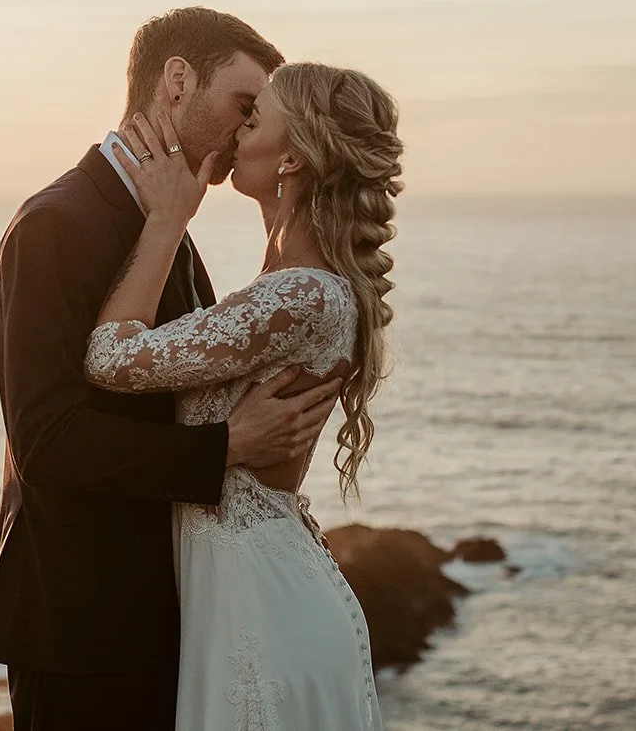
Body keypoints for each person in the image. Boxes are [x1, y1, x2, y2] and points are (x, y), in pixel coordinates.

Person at [0, 8, 343, 730]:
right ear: (177, 80)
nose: (245, 133)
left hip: (171, 613)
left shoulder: (170, 221)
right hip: (85, 631)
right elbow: (47, 442)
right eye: (243, 105)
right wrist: (225, 448)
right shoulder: (57, 223)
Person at [85, 60, 403, 729]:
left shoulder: (300, 296)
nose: (236, 134)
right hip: (246, 592)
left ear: (293, 157)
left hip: (260, 609)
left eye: (254, 120)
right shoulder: (287, 287)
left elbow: (108, 357)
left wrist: (167, 220)